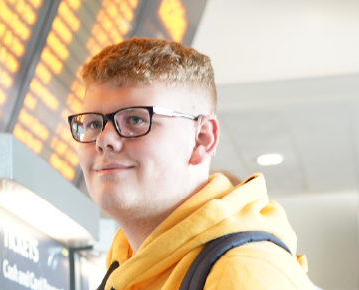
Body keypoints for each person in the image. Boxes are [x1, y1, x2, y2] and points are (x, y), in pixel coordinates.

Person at [69, 38, 313, 290]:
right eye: (93, 124)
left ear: (202, 140)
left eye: (135, 119)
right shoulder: (124, 264)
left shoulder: (245, 273)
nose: (103, 139)